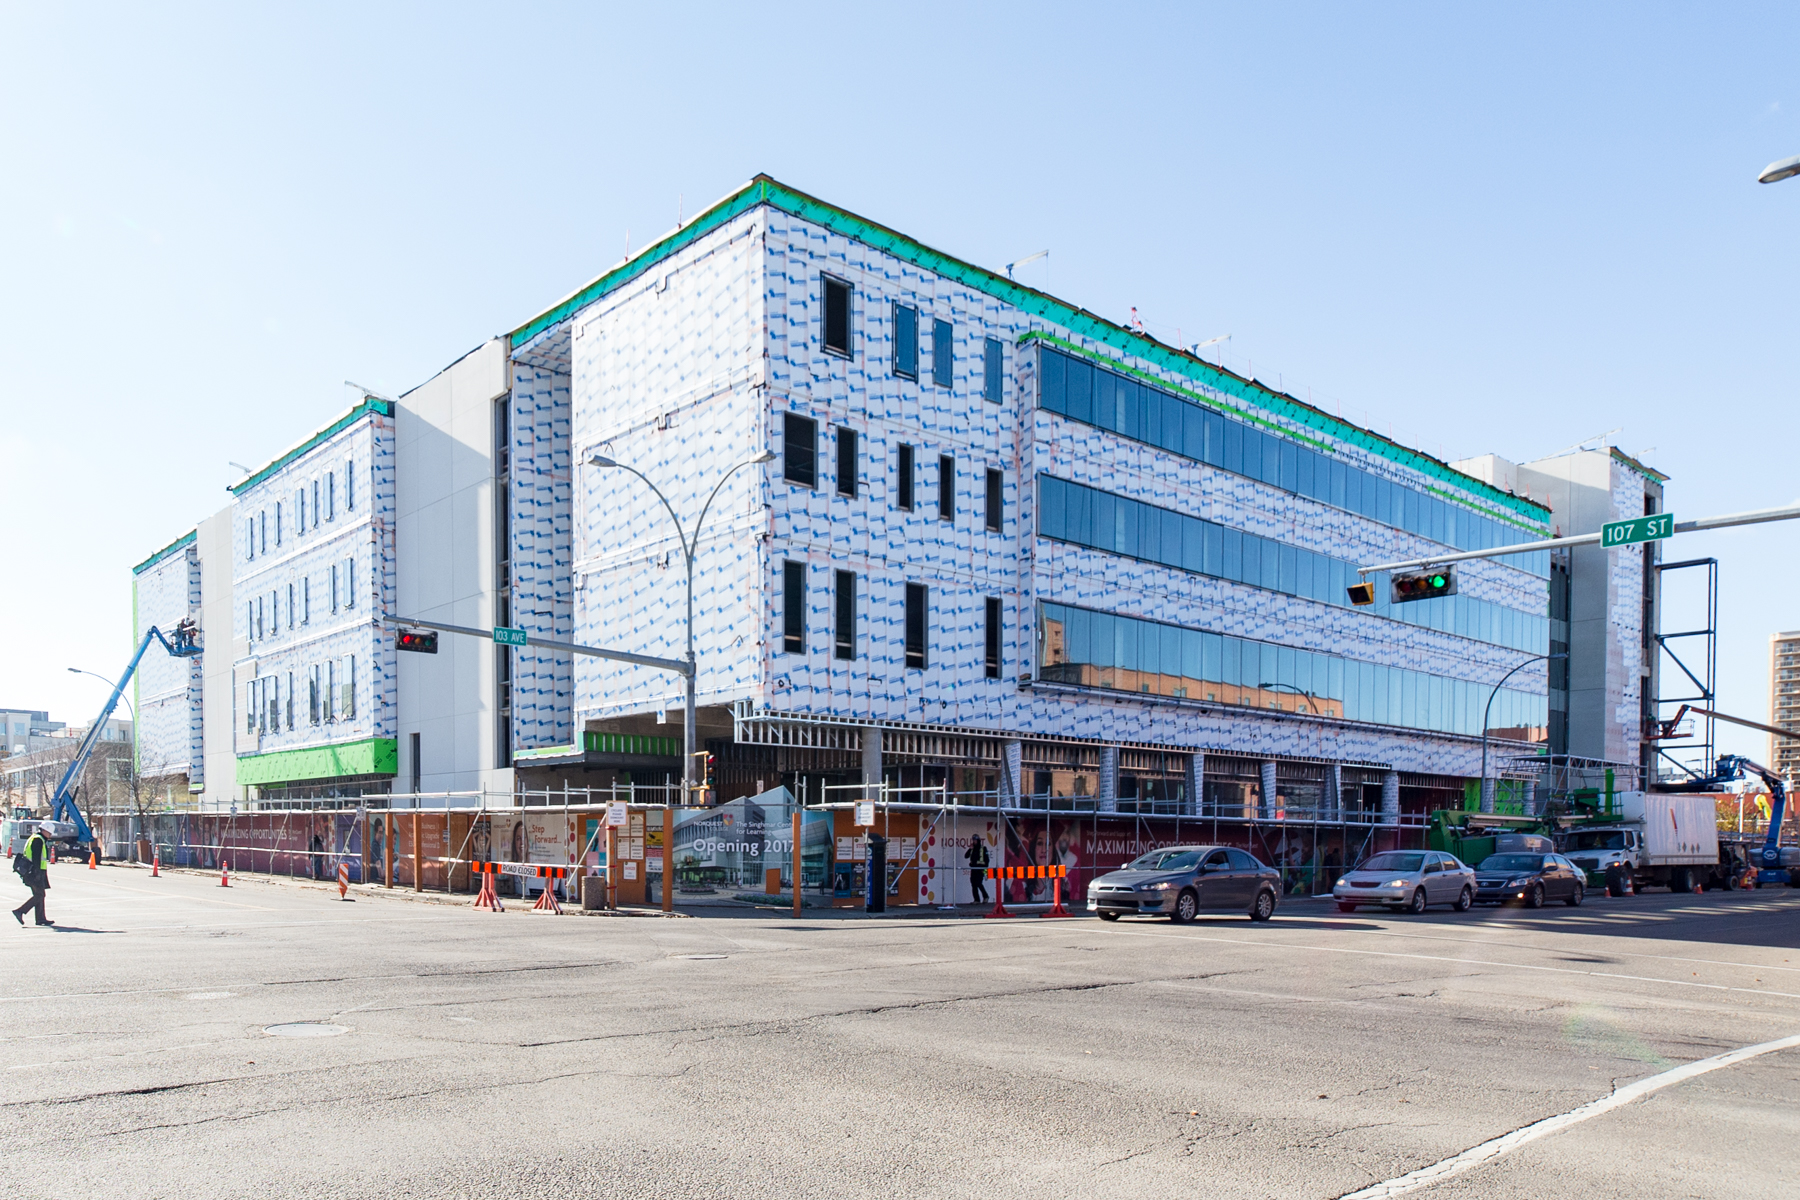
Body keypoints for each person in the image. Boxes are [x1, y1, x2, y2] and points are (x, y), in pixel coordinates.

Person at [12, 823, 53, 927]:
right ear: (45, 830)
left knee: (39, 894)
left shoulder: (35, 838)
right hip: (34, 871)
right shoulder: (38, 840)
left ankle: (40, 919)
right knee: (40, 894)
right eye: (49, 833)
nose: (50, 835)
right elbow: (36, 858)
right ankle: (20, 911)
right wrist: (37, 873)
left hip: (33, 871)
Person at [965, 834, 990, 904]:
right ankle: (976, 900)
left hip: (980, 869)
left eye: (975, 840)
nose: (974, 841)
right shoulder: (972, 849)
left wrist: (985, 871)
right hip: (973, 869)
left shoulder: (983, 848)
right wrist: (970, 849)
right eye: (973, 840)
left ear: (978, 840)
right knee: (973, 884)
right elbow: (966, 856)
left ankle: (985, 896)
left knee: (978, 883)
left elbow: (987, 861)